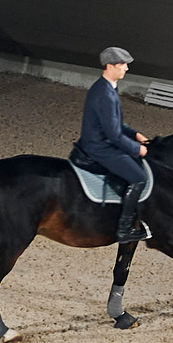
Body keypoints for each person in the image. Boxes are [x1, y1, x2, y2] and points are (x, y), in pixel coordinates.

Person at [72, 46, 151, 242]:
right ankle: (125, 229)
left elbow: (116, 123)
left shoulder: (108, 88)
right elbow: (114, 134)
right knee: (139, 177)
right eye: (122, 64)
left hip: (102, 140)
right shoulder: (104, 94)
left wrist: (135, 134)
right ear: (110, 66)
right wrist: (137, 148)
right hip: (99, 147)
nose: (126, 68)